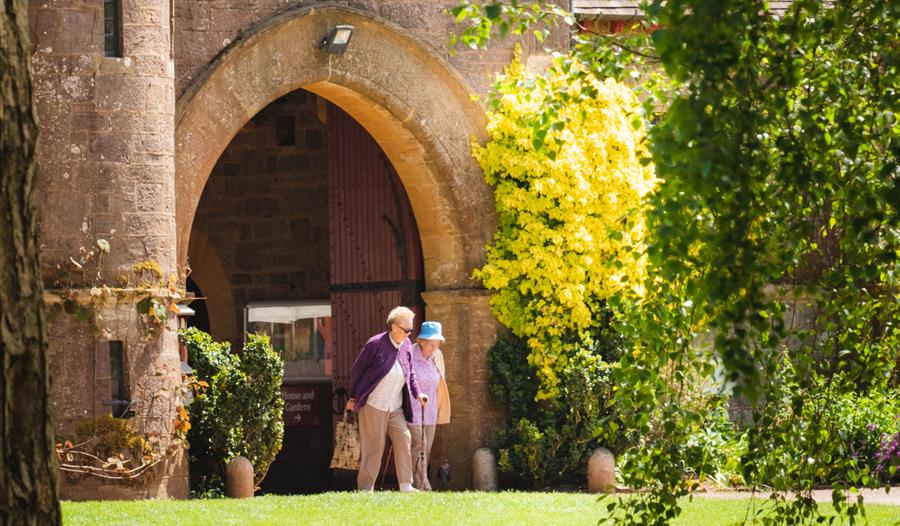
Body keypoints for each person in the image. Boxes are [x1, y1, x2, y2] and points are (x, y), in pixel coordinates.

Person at [346, 306, 428, 492]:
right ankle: (366, 488)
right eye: (406, 330)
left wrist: (418, 393)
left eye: (411, 330)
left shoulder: (406, 345)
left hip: (395, 406)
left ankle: (406, 485)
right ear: (393, 327)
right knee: (374, 447)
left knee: (404, 439)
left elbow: (410, 373)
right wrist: (353, 396)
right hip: (374, 404)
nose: (409, 334)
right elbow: (357, 372)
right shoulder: (375, 344)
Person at [407, 321, 451, 490]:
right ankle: (422, 484)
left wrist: (441, 408)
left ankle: (415, 483)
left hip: (431, 411)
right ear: (422, 341)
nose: (435, 348)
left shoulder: (437, 356)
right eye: (432, 344)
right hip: (413, 409)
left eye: (438, 344)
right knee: (420, 446)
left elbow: (441, 382)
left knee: (427, 449)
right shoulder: (410, 354)